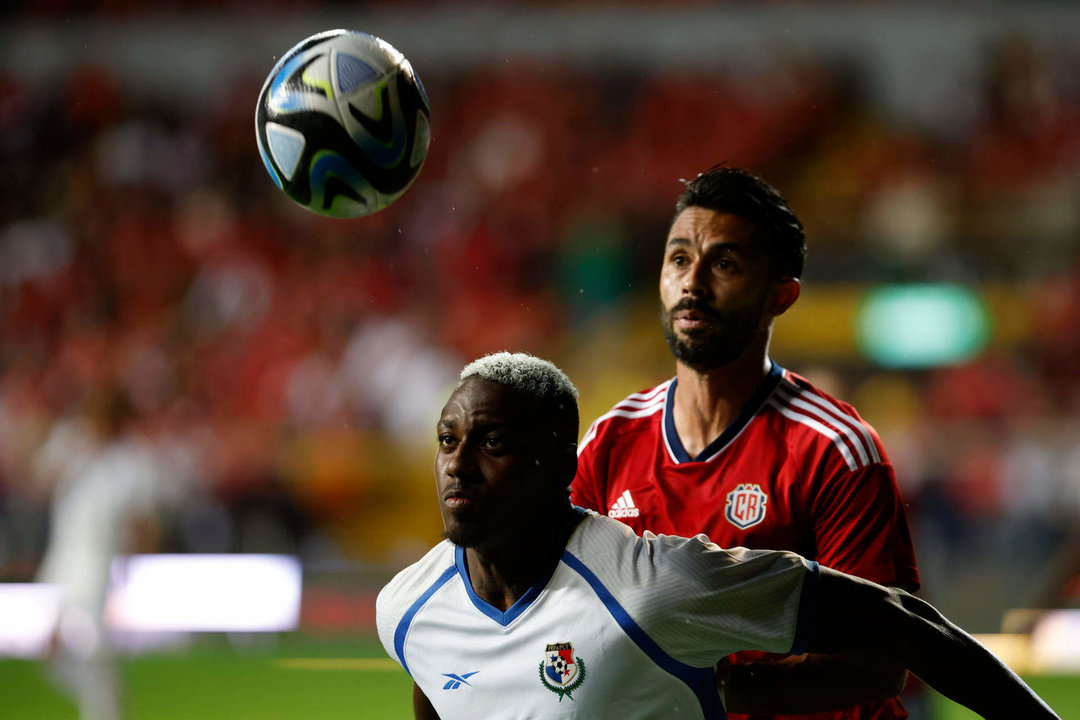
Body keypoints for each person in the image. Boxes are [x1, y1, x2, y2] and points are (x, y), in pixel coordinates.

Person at [376, 352, 1059, 720]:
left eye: (491, 442)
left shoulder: (655, 584)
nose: (458, 464)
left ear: (560, 460)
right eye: (446, 440)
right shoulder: (404, 607)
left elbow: (903, 624)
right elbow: (441, 689)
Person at [572, 166, 919, 718]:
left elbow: (881, 660)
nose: (693, 282)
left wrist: (709, 687)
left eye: (725, 264)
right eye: (679, 258)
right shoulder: (608, 442)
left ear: (781, 295)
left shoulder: (836, 450)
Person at [35, 388, 164, 720]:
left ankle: (102, 712)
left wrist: (134, 559)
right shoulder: (73, 451)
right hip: (62, 559)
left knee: (91, 646)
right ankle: (108, 703)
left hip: (98, 563)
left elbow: (144, 520)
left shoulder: (130, 464)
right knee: (50, 653)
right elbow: (37, 478)